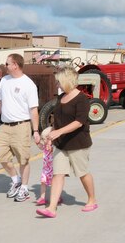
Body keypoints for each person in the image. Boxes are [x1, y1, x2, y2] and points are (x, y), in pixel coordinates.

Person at [37, 67, 97, 218]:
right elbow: (57, 121)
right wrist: (50, 137)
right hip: (61, 144)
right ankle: (51, 208)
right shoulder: (60, 98)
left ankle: (92, 199)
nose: (57, 84)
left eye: (59, 81)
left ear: (66, 81)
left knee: (82, 173)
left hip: (78, 144)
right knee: (58, 174)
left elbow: (79, 122)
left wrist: (59, 132)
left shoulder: (82, 99)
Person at [0, 53, 41, 203]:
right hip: (5, 126)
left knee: (23, 159)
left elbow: (34, 110)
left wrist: (36, 131)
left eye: (7, 63)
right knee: (0, 155)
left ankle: (24, 188)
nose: (4, 66)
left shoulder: (28, 84)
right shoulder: (4, 81)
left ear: (15, 65)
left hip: (22, 126)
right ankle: (16, 179)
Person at [36, 127, 54, 206]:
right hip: (45, 170)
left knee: (54, 184)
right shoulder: (45, 147)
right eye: (43, 139)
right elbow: (40, 147)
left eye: (45, 139)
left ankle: (56, 197)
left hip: (53, 170)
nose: (44, 141)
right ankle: (42, 198)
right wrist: (37, 143)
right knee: (43, 182)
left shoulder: (53, 147)